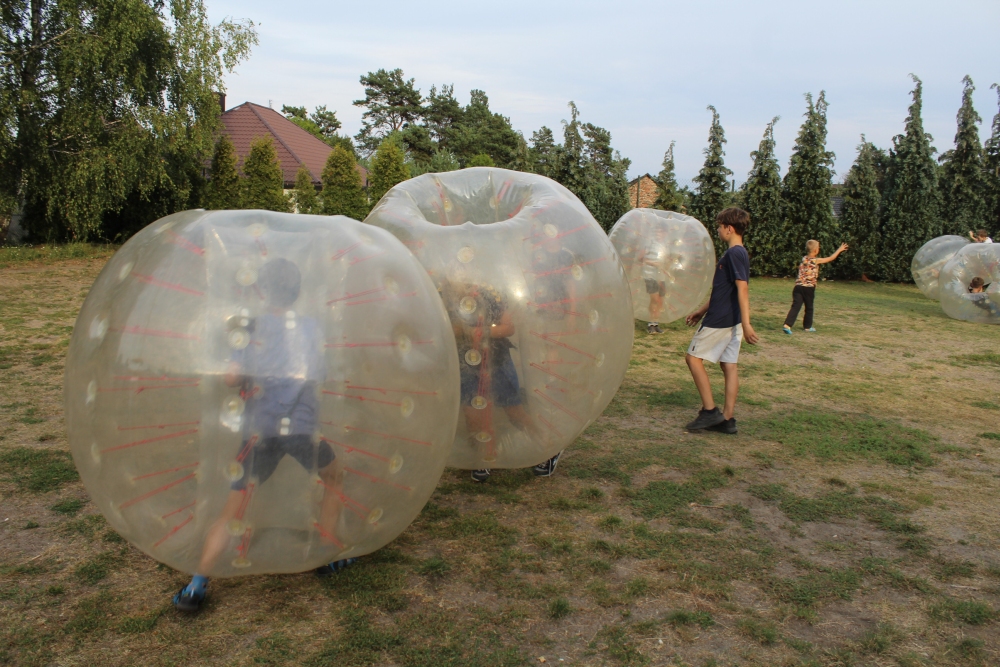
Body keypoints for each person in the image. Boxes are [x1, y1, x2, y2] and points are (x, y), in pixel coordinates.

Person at [174, 258, 349, 612]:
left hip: (260, 431)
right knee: (334, 477)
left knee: (234, 508)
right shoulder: (310, 327)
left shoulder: (250, 328)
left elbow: (231, 378)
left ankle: (197, 585)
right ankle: (327, 555)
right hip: (301, 429)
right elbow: (318, 372)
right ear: (296, 291)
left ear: (265, 290)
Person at [441, 279, 547, 482]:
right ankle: (483, 457)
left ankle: (546, 448)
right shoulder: (447, 298)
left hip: (497, 360)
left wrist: (482, 332)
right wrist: (460, 329)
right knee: (472, 414)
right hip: (467, 362)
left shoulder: (490, 295)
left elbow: (508, 328)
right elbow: (444, 328)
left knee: (515, 413)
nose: (461, 283)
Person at [683, 207, 759, 435]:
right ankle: (727, 419)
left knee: (693, 358)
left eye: (719, 226)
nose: (717, 230)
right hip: (731, 320)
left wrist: (747, 323)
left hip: (722, 319)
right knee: (729, 365)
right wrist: (700, 311)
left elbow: (742, 289)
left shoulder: (735, 253)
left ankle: (709, 411)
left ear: (729, 228)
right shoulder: (738, 253)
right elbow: (724, 290)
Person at [782, 240, 849, 334]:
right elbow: (831, 258)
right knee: (809, 308)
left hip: (798, 287)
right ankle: (807, 327)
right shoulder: (816, 260)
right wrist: (840, 249)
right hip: (808, 288)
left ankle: (787, 325)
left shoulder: (804, 258)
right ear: (815, 250)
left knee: (795, 307)